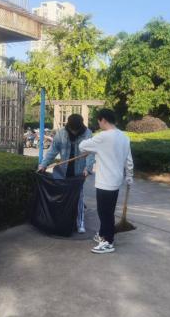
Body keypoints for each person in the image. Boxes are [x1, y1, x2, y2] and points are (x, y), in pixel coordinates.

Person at [79, 109, 133, 254]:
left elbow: (82, 146)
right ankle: (103, 233)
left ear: (103, 120)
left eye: (99, 122)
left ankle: (108, 241)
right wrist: (129, 176)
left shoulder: (102, 137)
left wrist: (94, 148)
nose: (99, 124)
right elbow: (129, 160)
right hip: (116, 181)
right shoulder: (124, 137)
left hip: (104, 181)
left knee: (105, 213)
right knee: (108, 211)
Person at [38, 114, 95, 233]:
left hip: (80, 172)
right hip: (64, 170)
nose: (74, 132)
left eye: (76, 129)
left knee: (79, 196)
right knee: (65, 195)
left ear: (81, 127)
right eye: (72, 129)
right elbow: (53, 151)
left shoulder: (87, 134)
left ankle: (80, 223)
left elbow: (90, 153)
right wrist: (44, 164)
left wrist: (88, 168)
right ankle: (65, 218)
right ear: (69, 126)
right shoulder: (61, 133)